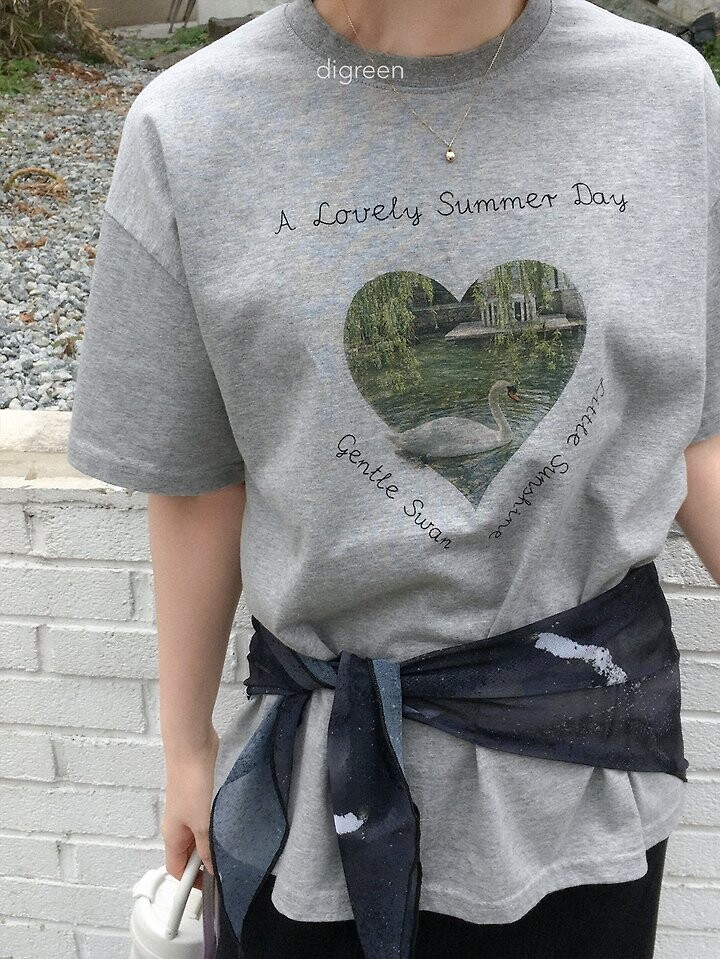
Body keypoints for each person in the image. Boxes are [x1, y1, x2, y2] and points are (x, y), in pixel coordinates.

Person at [66, 0, 720, 956]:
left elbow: (696, 428)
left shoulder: (665, 96)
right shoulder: (193, 124)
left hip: (582, 780)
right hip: (313, 798)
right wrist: (188, 748)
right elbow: (198, 478)